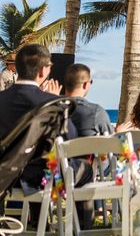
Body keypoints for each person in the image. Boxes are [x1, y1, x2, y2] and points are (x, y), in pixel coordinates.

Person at [0, 44, 93, 228]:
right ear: (44, 70)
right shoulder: (50, 104)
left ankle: (33, 222)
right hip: (39, 178)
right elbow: (69, 141)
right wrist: (52, 101)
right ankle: (81, 228)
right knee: (85, 168)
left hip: (4, 176)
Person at [62, 63, 112, 137]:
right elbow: (111, 142)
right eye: (90, 82)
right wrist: (119, 133)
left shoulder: (52, 110)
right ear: (85, 84)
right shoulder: (96, 112)